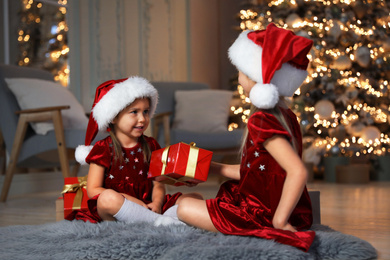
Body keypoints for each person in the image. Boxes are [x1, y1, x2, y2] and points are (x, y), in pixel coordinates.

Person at [177, 23, 316, 252]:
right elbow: (257, 171)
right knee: (189, 201)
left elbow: (297, 171)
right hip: (268, 204)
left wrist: (279, 222)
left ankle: (259, 232)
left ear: (255, 77)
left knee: (183, 208)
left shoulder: (261, 120)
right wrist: (210, 167)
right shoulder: (286, 116)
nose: (238, 77)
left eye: (240, 71)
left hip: (262, 213)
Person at [72, 76, 201, 225]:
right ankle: (159, 222)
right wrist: (129, 200)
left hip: (148, 203)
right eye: (134, 112)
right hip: (119, 206)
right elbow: (93, 189)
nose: (142, 119)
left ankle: (153, 218)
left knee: (195, 198)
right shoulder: (103, 149)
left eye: (146, 112)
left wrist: (157, 203)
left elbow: (158, 184)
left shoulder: (151, 144)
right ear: (113, 117)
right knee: (107, 198)